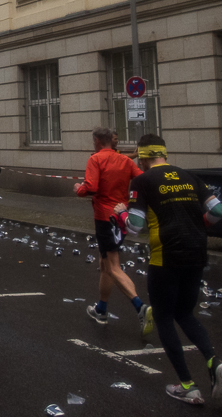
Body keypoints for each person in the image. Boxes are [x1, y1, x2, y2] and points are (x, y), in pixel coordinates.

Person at [113, 134, 222, 406]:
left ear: (142, 157)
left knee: (165, 317)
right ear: (164, 154)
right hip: (197, 250)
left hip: (165, 254)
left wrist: (120, 212)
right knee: (185, 313)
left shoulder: (142, 181)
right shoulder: (188, 175)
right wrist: (200, 224)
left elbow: (134, 226)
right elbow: (219, 211)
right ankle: (213, 361)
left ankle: (188, 386)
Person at [74, 127, 151, 334]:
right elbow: (143, 179)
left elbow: (91, 187)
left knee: (113, 265)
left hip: (104, 217)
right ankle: (102, 309)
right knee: (104, 263)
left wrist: (78, 189)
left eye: (94, 141)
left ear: (98, 141)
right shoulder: (125, 161)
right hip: (121, 216)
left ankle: (140, 307)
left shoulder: (96, 159)